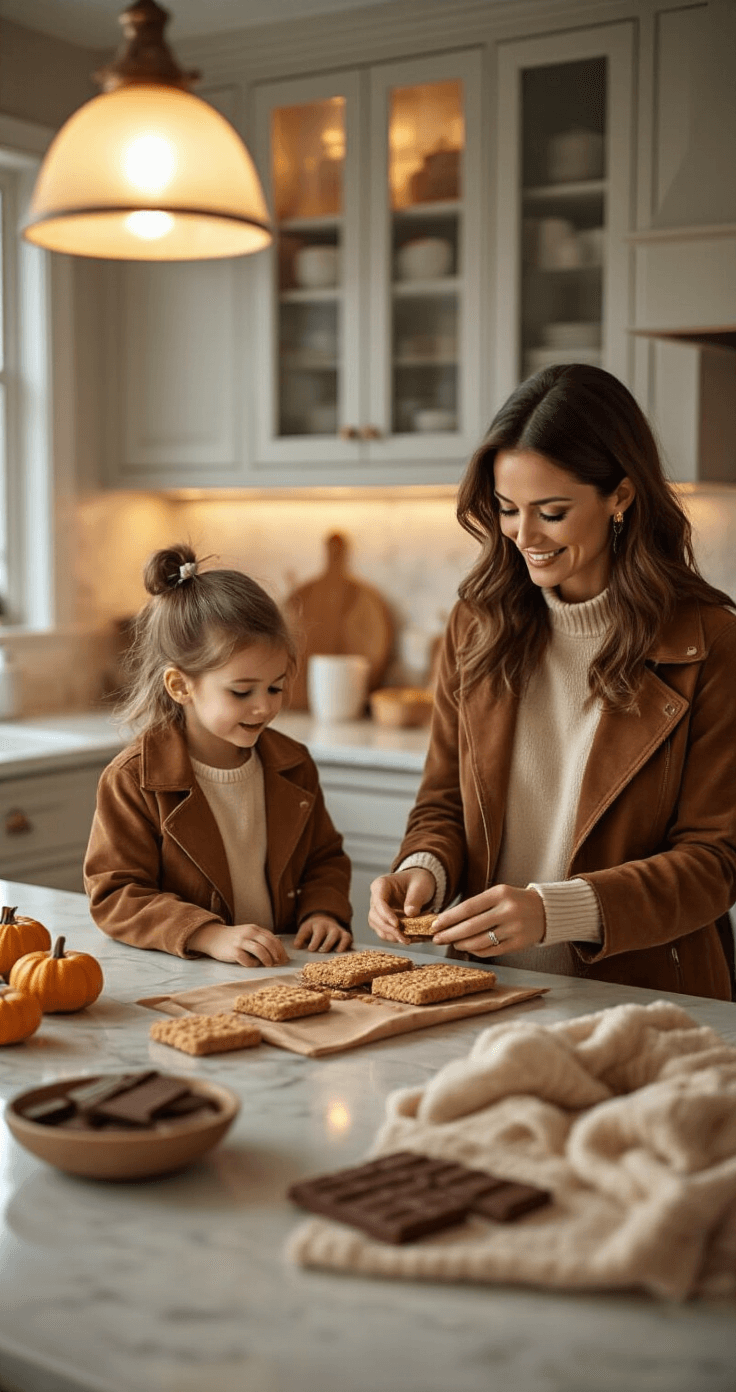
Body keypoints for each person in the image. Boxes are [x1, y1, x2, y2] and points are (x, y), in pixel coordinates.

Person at [369, 363, 736, 1000]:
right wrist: (421, 868)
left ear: (620, 496)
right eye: (507, 510)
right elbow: (444, 805)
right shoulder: (476, 624)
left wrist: (554, 912)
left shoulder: (710, 642)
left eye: (553, 512)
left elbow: (714, 862)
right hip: (485, 992)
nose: (524, 536)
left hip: (647, 1002)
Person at [85, 544, 353, 966]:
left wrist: (323, 910)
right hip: (189, 975)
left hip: (280, 969)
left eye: (276, 687)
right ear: (180, 686)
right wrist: (208, 935)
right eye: (242, 691)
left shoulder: (293, 763)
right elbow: (116, 894)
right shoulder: (133, 779)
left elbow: (325, 858)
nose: (264, 707)